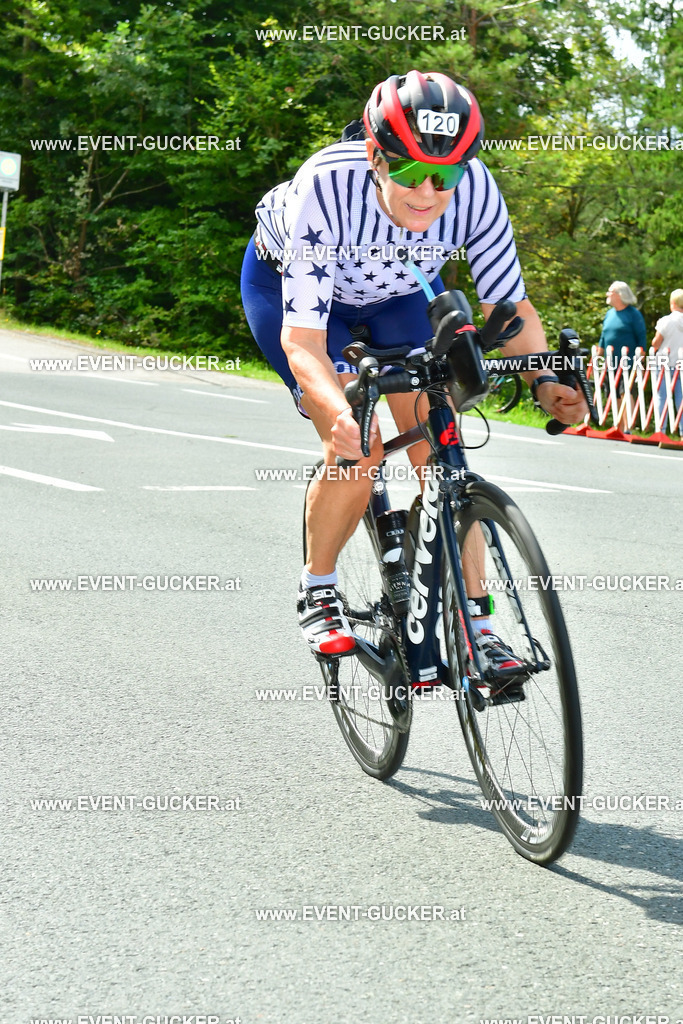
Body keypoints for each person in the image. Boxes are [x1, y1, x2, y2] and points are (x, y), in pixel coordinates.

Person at [240, 69, 587, 665]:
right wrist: (337, 413)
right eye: (407, 172)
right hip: (296, 293)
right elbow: (303, 341)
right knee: (361, 443)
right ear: (377, 157)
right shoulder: (328, 184)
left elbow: (509, 308)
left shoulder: (477, 190)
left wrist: (544, 379)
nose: (427, 192)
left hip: (397, 292)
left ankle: (478, 627)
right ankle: (318, 588)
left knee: (439, 440)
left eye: (446, 175)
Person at [596, 281, 647, 431]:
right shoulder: (610, 314)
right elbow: (604, 336)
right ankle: (618, 426)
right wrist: (598, 356)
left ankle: (628, 427)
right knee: (613, 394)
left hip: (628, 362)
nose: (607, 294)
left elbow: (641, 338)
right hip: (610, 361)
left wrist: (640, 362)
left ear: (619, 295)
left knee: (626, 392)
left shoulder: (633, 314)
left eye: (610, 291)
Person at [651, 288, 683, 436]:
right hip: (681, 366)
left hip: (664, 363)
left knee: (661, 396)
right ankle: (682, 431)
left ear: (673, 303)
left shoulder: (666, 321)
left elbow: (656, 343)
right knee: (681, 400)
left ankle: (661, 430)